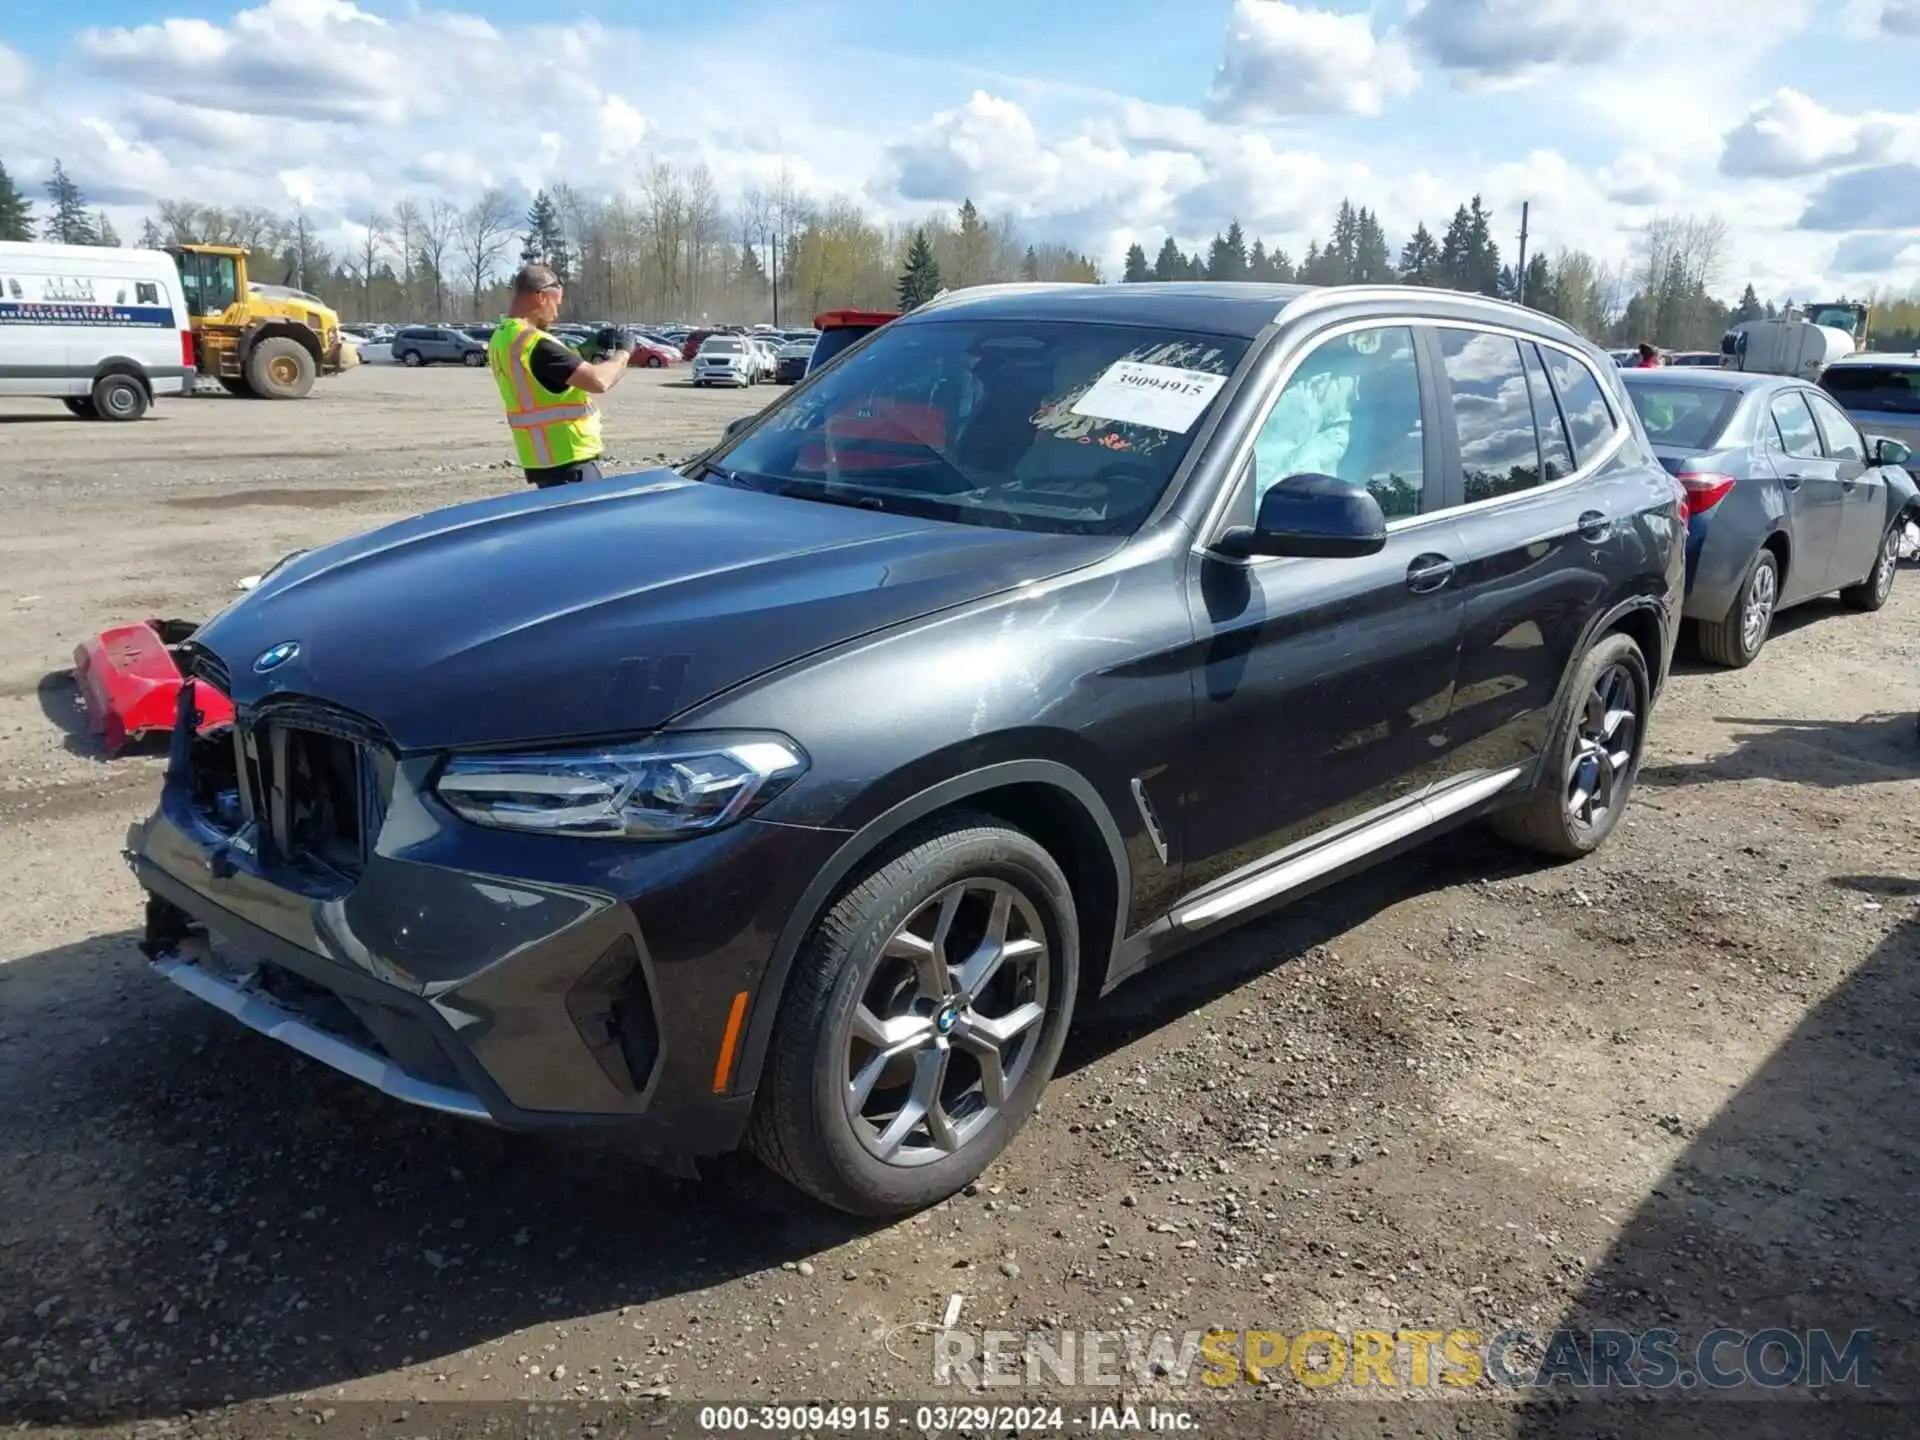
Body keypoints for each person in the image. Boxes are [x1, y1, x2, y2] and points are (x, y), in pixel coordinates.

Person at [488, 264, 636, 488]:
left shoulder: (503, 337)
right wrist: (624, 352)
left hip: (542, 459)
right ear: (540, 297)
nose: (556, 312)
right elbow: (599, 381)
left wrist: (588, 348)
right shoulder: (535, 344)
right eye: (555, 303)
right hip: (569, 460)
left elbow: (549, 374)